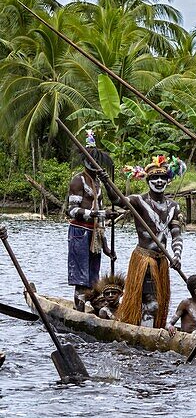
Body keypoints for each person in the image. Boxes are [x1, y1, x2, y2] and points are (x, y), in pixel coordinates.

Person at [116, 155, 185, 328]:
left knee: (157, 303)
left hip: (161, 261)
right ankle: (146, 335)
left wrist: (177, 256)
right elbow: (118, 201)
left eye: (163, 178)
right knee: (150, 302)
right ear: (148, 181)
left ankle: (149, 330)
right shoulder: (138, 201)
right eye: (155, 178)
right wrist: (107, 183)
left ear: (168, 181)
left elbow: (176, 234)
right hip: (144, 260)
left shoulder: (174, 207)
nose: (159, 181)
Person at [65, 131, 115, 312]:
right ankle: (78, 312)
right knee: (81, 277)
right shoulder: (78, 181)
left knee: (94, 278)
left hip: (95, 235)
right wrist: (97, 213)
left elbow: (100, 218)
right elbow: (72, 211)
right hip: (79, 233)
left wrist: (107, 248)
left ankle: (94, 310)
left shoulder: (98, 183)